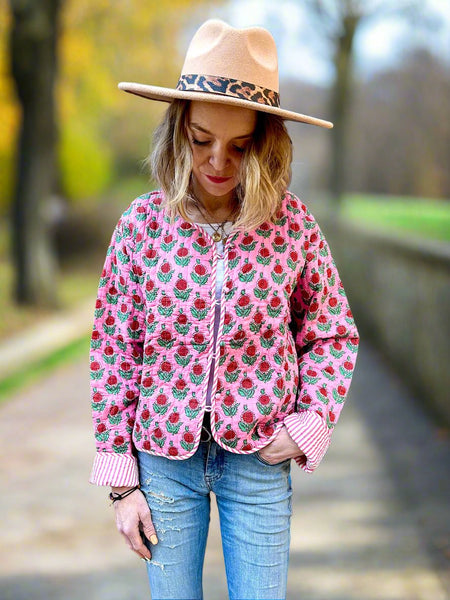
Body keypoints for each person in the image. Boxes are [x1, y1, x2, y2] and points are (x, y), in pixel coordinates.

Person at [89, 18, 359, 600]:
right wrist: (121, 483)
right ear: (178, 130)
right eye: (200, 139)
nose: (218, 161)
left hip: (259, 458)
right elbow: (114, 349)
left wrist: (310, 422)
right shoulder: (141, 226)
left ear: (265, 143)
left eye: (240, 146)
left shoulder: (292, 227)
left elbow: (333, 333)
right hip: (162, 459)